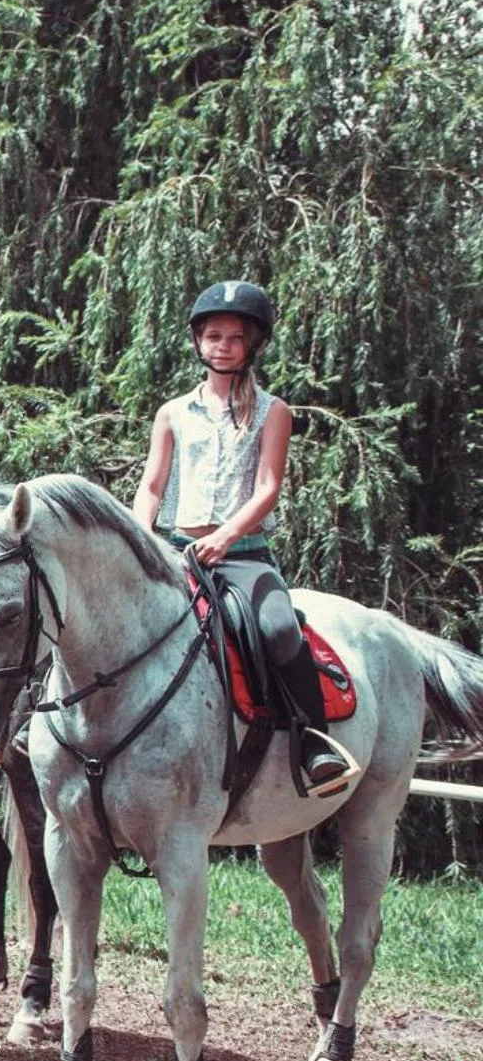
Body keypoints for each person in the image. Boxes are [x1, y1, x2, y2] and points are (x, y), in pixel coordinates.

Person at [132, 280, 351, 796]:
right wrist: (142, 539)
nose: (222, 345)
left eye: (234, 337)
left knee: (277, 629)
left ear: (251, 345)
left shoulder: (273, 412)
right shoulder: (172, 413)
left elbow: (268, 488)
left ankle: (312, 737)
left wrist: (228, 537)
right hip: (177, 551)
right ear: (197, 342)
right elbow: (152, 484)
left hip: (245, 557)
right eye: (213, 335)